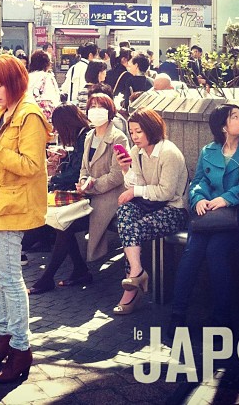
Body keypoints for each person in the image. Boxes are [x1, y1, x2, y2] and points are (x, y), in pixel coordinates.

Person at [0, 54, 51, 383]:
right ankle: (3, 337)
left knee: (10, 280)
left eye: (0, 84)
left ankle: (21, 347)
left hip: (12, 206)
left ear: (16, 82)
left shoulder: (30, 116)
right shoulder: (0, 113)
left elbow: (31, 166)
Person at [169, 105, 239, 332]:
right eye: (235, 117)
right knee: (193, 251)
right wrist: (199, 198)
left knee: (216, 251)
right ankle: (177, 314)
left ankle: (222, 319)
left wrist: (227, 199)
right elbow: (198, 181)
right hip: (209, 215)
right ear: (223, 127)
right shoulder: (207, 151)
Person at [112, 108, 188, 314]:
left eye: (139, 132)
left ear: (151, 129)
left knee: (131, 230)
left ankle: (131, 292)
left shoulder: (168, 153)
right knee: (125, 213)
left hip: (174, 209)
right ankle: (137, 271)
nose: (134, 137)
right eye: (132, 132)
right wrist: (125, 169)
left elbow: (165, 192)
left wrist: (135, 191)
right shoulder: (136, 152)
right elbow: (136, 183)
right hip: (149, 205)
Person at [27, 104, 91, 294]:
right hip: (85, 190)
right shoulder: (83, 135)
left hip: (92, 194)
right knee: (63, 226)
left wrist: (52, 180)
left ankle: (47, 278)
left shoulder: (85, 136)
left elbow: (77, 171)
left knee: (63, 226)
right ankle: (80, 270)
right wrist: (67, 156)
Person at [76, 92, 128, 268]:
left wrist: (93, 186)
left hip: (111, 193)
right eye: (93, 107)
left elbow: (117, 175)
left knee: (96, 216)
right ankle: (79, 264)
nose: (96, 111)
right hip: (89, 189)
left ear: (110, 110)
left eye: (101, 107)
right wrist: (83, 181)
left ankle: (91, 262)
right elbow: (84, 166)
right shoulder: (89, 136)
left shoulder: (118, 137)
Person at [27, 49, 61, 121]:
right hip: (44, 117)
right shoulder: (47, 77)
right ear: (46, 64)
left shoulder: (26, 77)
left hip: (28, 113)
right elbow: (54, 98)